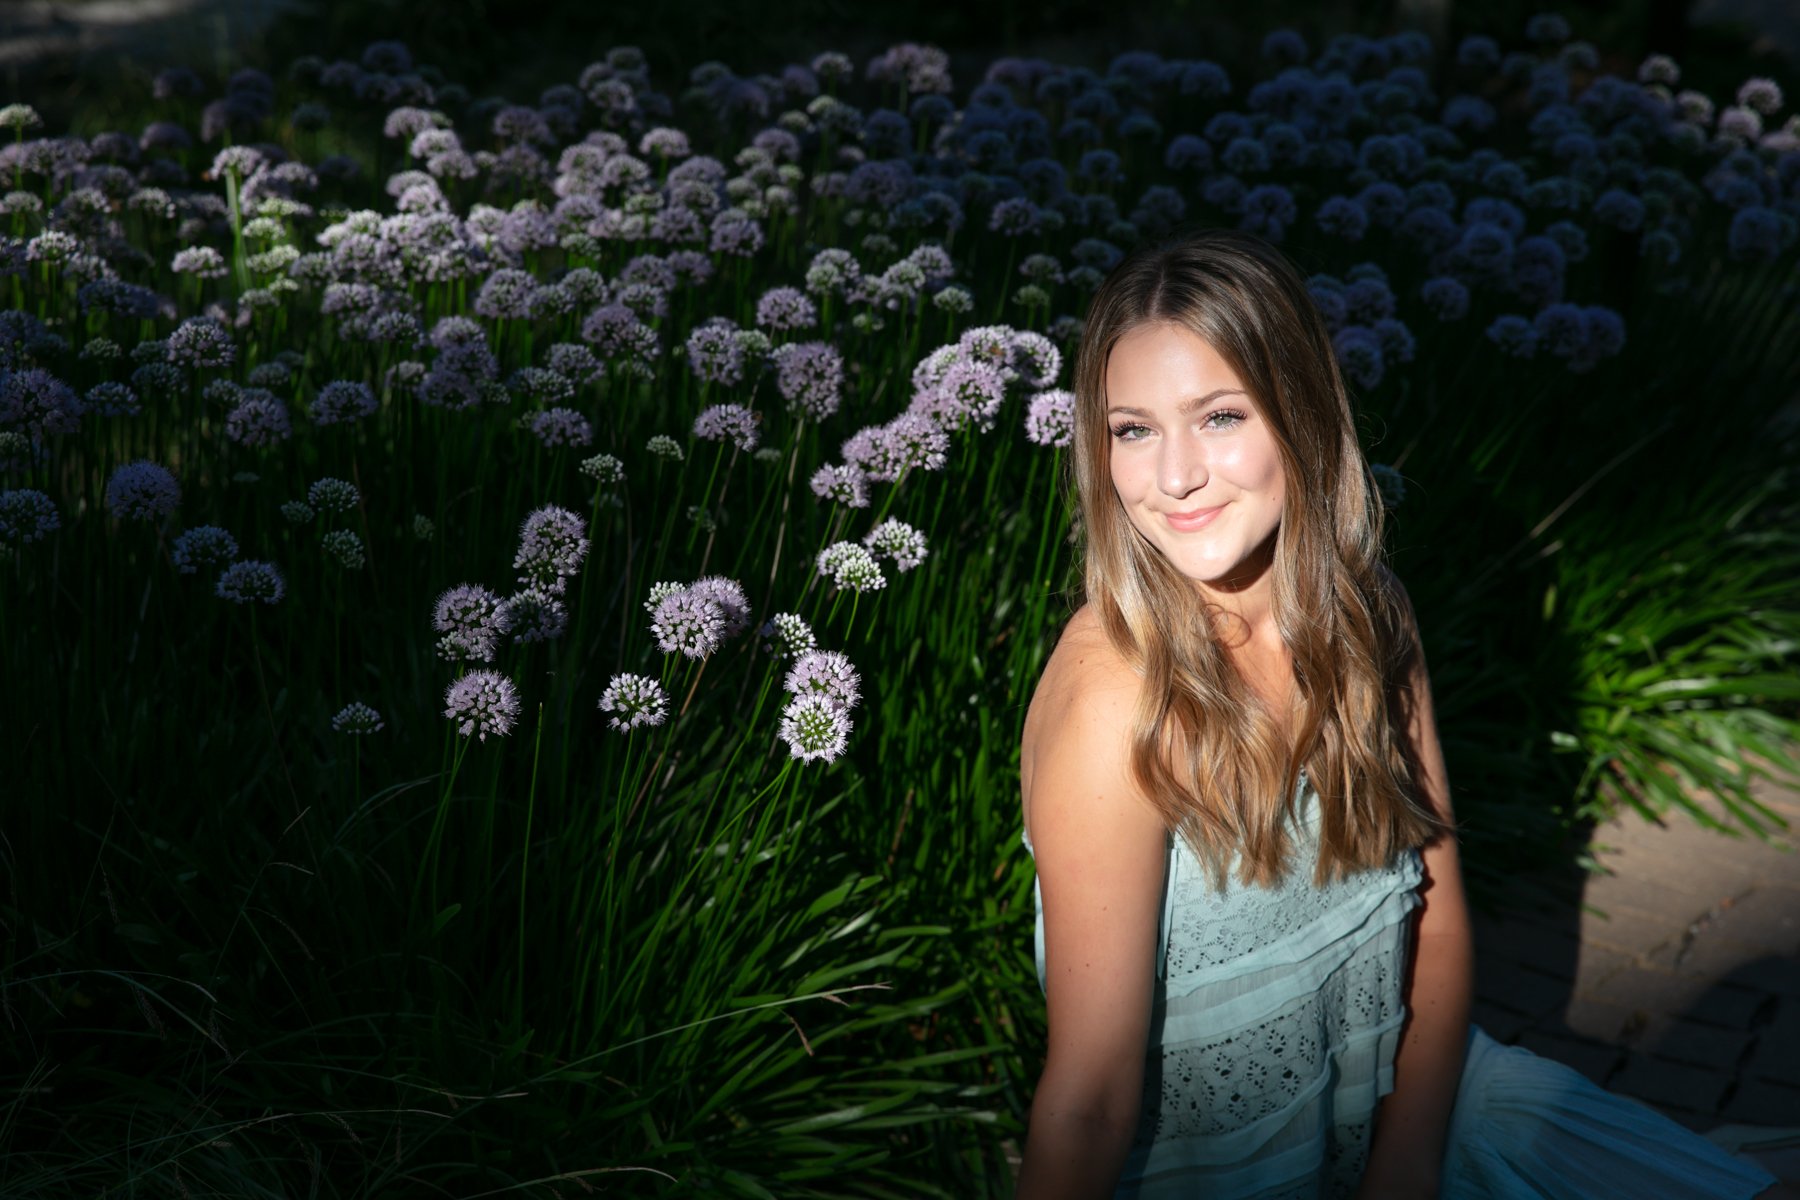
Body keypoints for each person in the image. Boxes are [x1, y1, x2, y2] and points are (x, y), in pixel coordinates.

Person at [1012, 228, 1790, 1200]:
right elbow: (1088, 1102)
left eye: (1217, 416)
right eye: (1133, 429)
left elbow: (1443, 924)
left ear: (1298, 407)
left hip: (1420, 1108)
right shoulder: (1119, 704)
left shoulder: (1367, 616)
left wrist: (1405, 1168)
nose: (1174, 478)